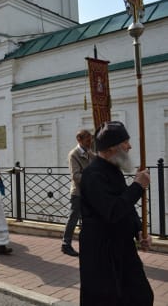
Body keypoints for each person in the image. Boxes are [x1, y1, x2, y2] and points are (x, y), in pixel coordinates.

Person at [79, 121, 153, 306]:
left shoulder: (113, 170)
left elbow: (125, 207)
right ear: (112, 148)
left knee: (141, 296)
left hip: (121, 247)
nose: (130, 146)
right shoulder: (93, 175)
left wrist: (139, 231)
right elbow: (112, 210)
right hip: (101, 253)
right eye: (125, 142)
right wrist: (137, 186)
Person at [61, 130, 93, 257]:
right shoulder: (74, 154)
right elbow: (76, 176)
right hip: (78, 193)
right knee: (73, 218)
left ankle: (89, 244)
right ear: (79, 139)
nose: (90, 143)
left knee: (89, 219)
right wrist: (93, 178)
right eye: (87, 140)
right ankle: (65, 244)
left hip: (89, 192)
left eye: (91, 140)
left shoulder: (89, 153)